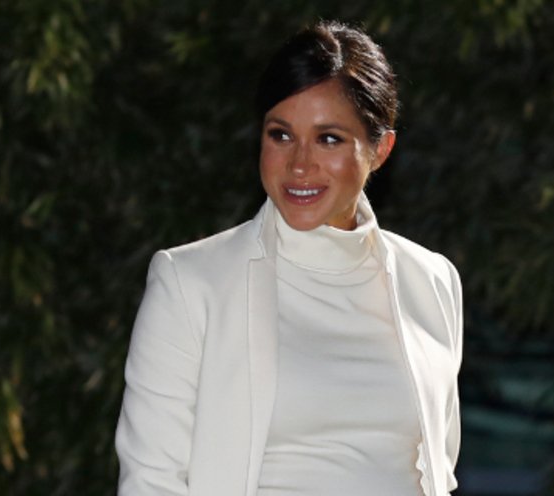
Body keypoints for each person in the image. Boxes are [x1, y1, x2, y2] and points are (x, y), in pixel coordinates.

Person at [114, 20, 463, 496]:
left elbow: (439, 469)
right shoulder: (191, 282)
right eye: (281, 135)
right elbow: (151, 481)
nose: (299, 164)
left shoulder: (432, 280)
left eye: (328, 139)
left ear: (380, 149)